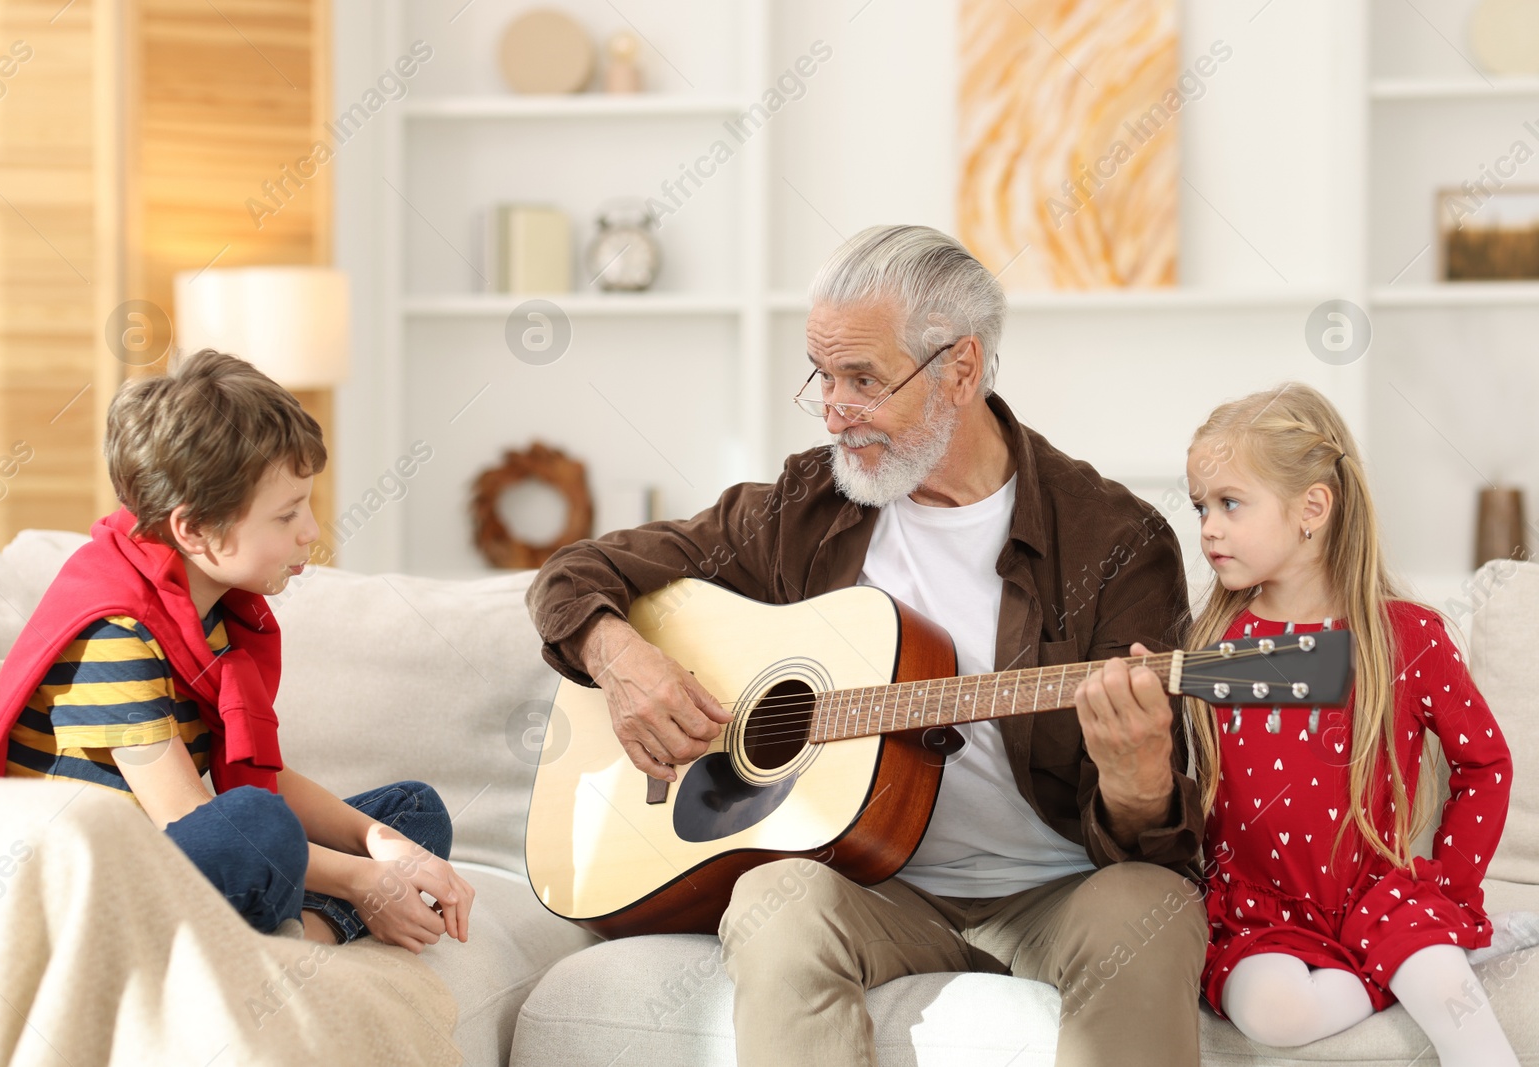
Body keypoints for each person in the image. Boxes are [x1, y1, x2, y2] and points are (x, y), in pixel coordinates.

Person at [528, 225, 1208, 1066]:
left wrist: (1141, 784)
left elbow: (1157, 846)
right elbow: (572, 575)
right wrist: (620, 658)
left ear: (961, 369)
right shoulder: (807, 505)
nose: (833, 408)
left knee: (1154, 909)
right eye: (822, 375)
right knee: (775, 896)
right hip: (874, 887)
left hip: (1056, 889)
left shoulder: (1114, 539)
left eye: (863, 379)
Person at [0, 349, 473, 952]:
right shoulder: (115, 636)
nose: (311, 531)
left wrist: (381, 849)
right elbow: (183, 816)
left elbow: (262, 772)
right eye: (287, 515)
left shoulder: (206, 610)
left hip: (173, 859)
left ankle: (299, 932)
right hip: (93, 888)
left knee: (413, 814)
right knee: (259, 828)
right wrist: (369, 882)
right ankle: (295, 938)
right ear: (194, 529)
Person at [1176, 382, 1520, 1064]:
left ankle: (1447, 942)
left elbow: (1486, 763)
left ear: (1312, 508)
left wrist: (1448, 892)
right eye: (1201, 507)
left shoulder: (1407, 635)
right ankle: (1411, 961)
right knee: (1273, 1014)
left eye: (1230, 503)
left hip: (1381, 893)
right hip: (1262, 910)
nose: (1209, 526)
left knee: (1472, 1036)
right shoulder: (1214, 637)